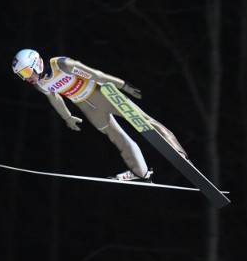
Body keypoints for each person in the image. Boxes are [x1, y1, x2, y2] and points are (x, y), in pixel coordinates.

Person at [11, 48, 188, 181]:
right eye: (22, 76)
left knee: (142, 120)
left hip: (101, 94)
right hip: (87, 107)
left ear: (36, 63)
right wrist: (67, 116)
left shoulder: (61, 65)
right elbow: (54, 98)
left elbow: (96, 75)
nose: (27, 78)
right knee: (116, 135)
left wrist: (122, 85)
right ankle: (140, 172)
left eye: (26, 72)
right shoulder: (40, 84)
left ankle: (179, 154)